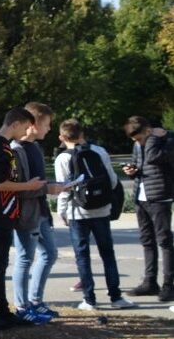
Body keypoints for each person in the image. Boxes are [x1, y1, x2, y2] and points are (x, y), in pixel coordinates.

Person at [55, 119, 137, 311]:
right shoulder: (99, 151)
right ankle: (116, 297)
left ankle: (89, 299)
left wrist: (62, 212)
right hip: (101, 209)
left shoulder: (63, 158)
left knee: (82, 255)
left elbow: (64, 188)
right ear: (82, 134)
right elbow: (112, 180)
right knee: (107, 253)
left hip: (78, 211)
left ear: (61, 137)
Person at [0, 108, 46, 331]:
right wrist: (28, 186)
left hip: (4, 212)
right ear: (16, 124)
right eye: (26, 127)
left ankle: (3, 311)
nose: (27, 131)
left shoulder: (2, 146)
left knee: (1, 263)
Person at [10, 102, 64, 324]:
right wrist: (46, 188)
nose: (49, 129)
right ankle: (22, 306)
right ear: (32, 124)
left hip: (40, 211)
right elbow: (19, 187)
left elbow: (37, 181)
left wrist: (55, 186)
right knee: (25, 258)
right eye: (47, 124)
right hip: (26, 214)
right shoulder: (15, 150)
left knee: (49, 253)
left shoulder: (34, 148)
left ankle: (35, 301)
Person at [122, 116, 174, 302]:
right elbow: (140, 163)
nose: (138, 142)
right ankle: (150, 281)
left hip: (160, 195)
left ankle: (169, 285)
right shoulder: (139, 143)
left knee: (165, 240)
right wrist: (132, 171)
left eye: (140, 138)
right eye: (135, 140)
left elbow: (153, 158)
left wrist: (159, 137)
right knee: (147, 240)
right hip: (141, 195)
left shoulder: (164, 140)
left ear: (148, 130)